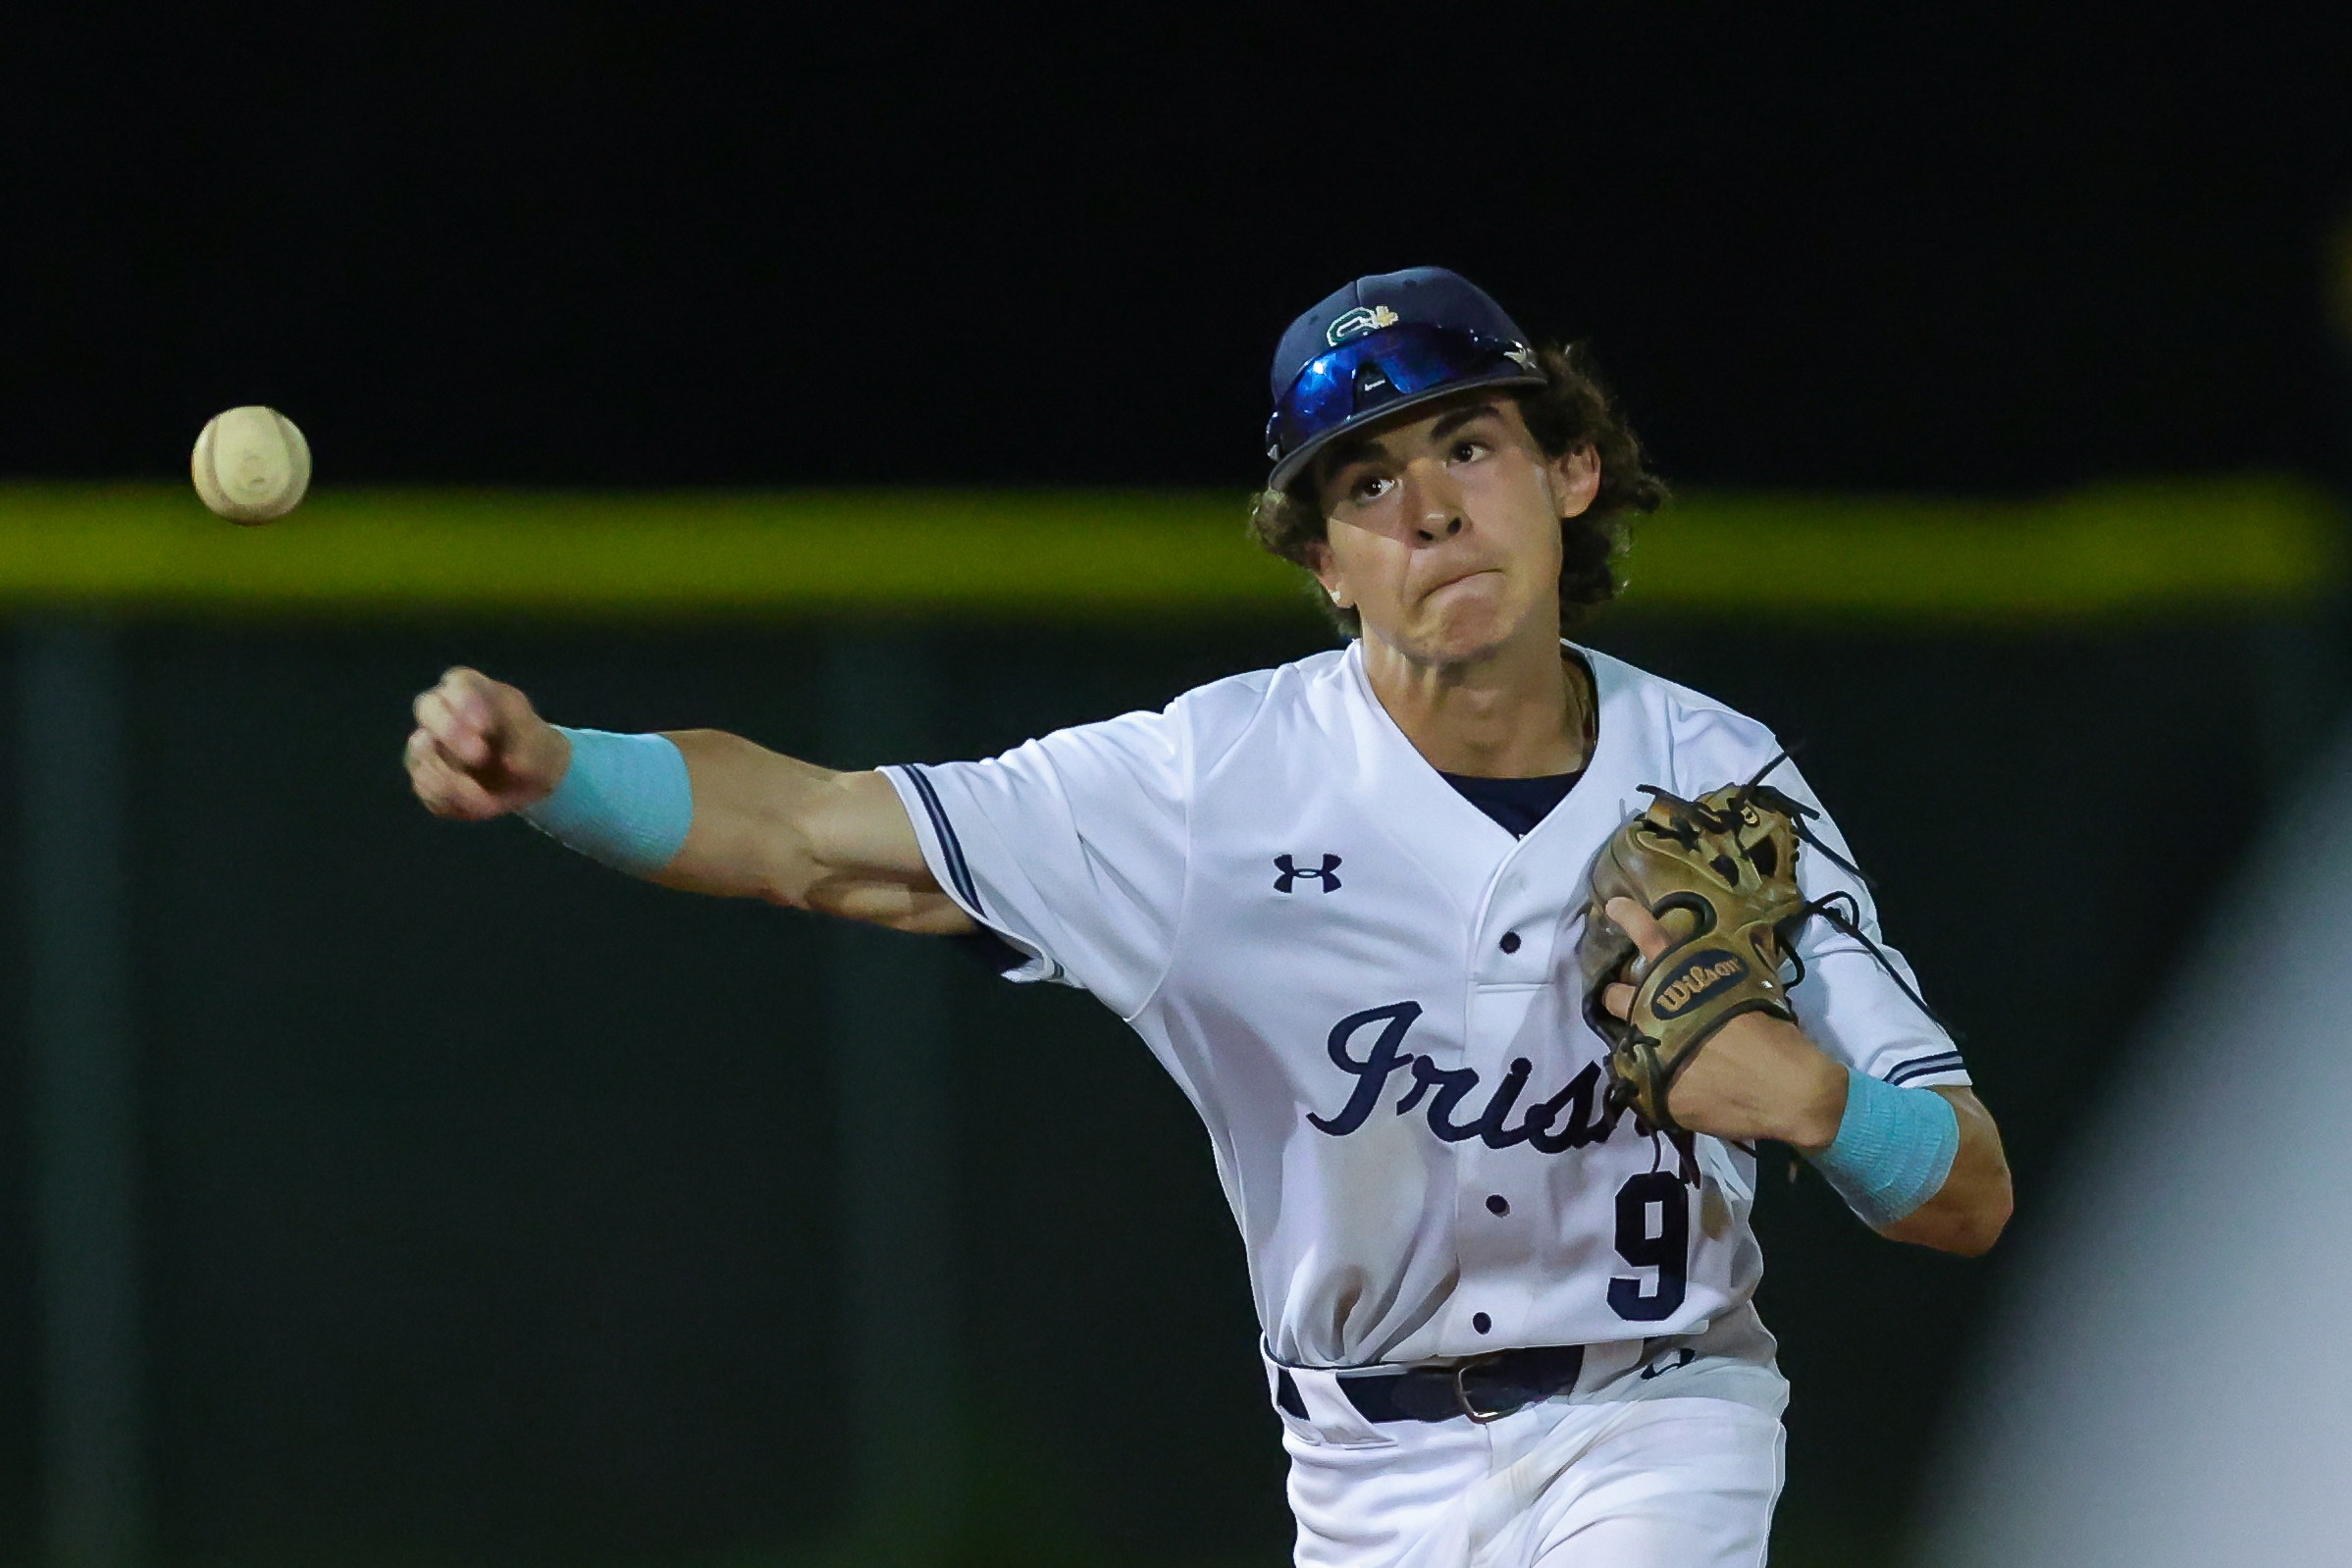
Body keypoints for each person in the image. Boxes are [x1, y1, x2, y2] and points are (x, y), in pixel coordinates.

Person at [404, 266, 2012, 1567]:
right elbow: (817, 833)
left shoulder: (1718, 779)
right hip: (1361, 1469)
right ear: (1322, 561)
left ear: (1569, 471)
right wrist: (556, 772)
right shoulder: (1208, 788)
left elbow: (1967, 1189)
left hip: (1662, 1412)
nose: (1432, 507)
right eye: (1368, 483)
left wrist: (1805, 1098)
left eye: (1469, 444)